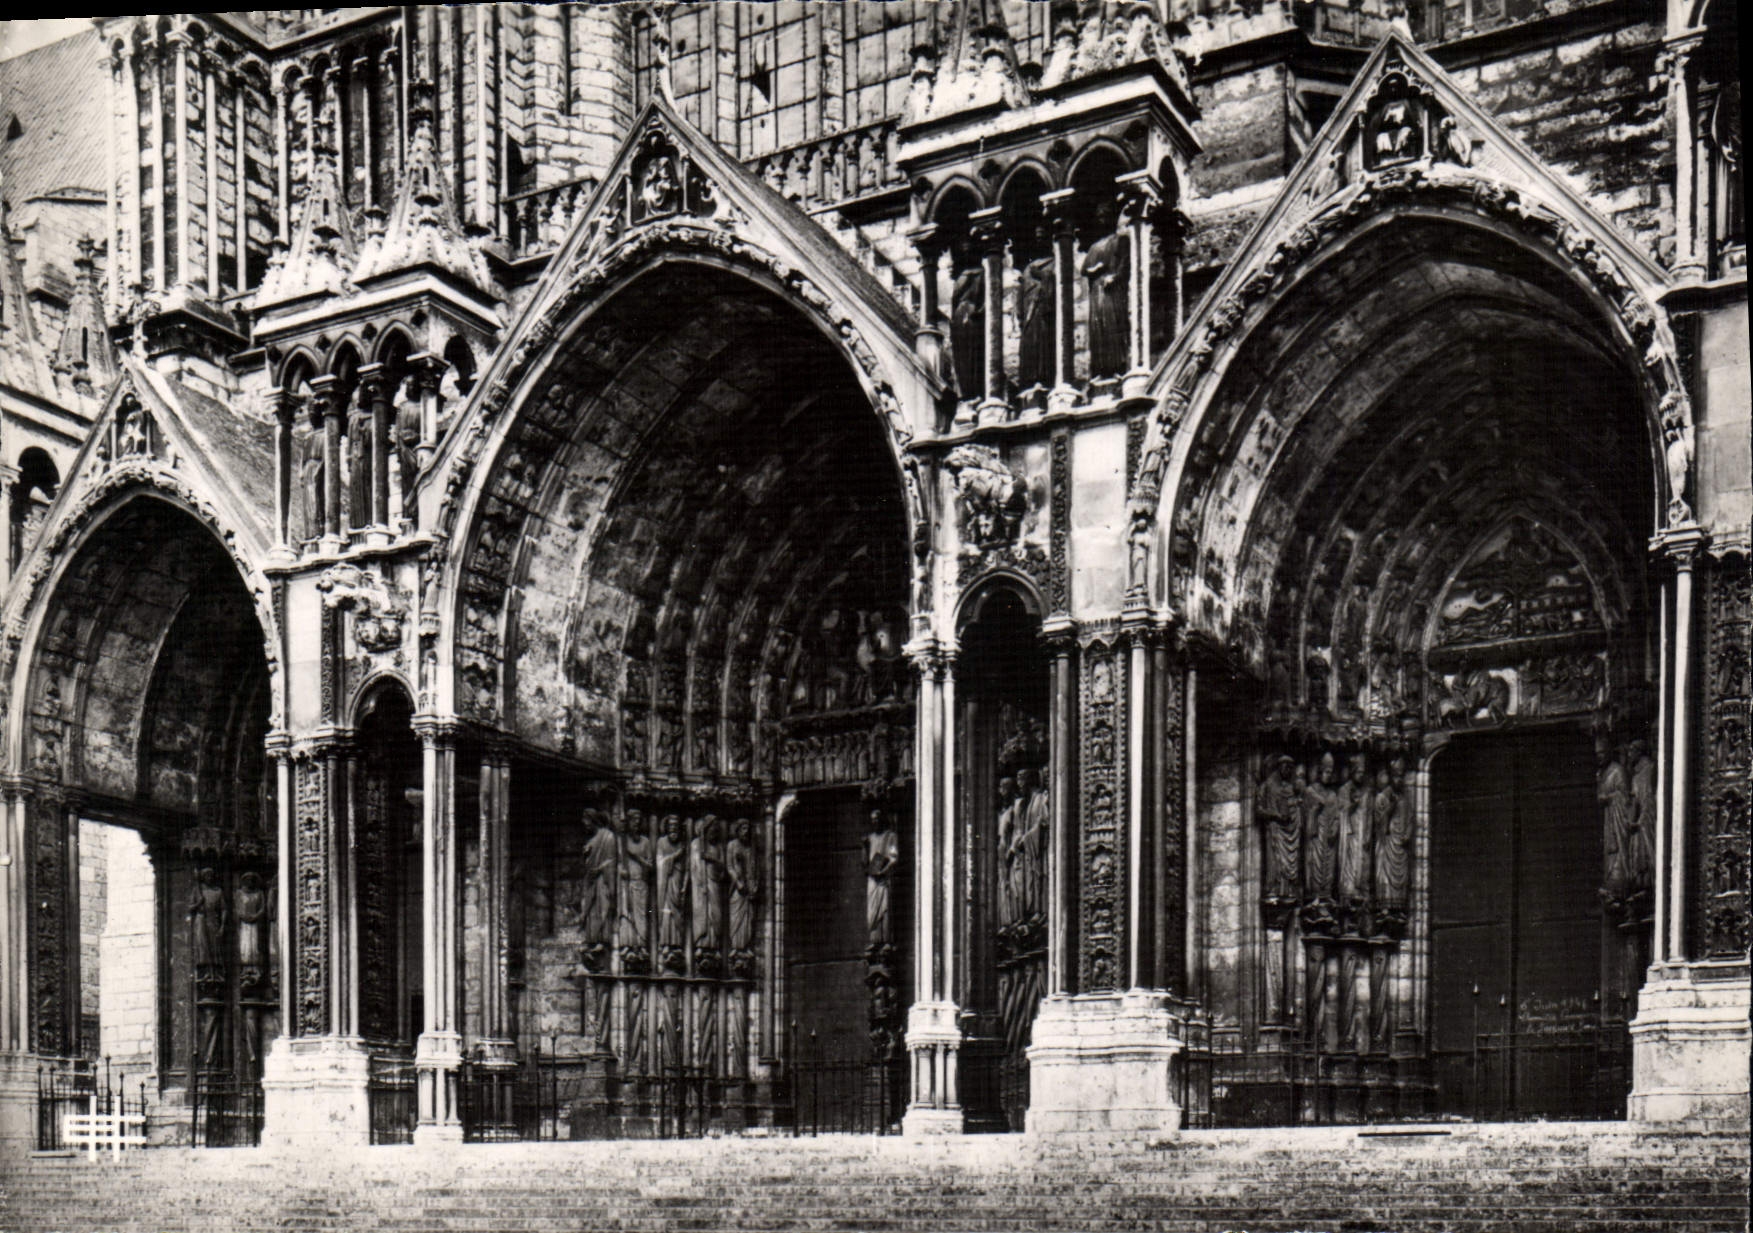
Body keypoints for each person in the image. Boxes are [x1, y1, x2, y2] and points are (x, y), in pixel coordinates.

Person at [1082, 200, 1130, 378]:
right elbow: (1085, 269)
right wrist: (1093, 270)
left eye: (1105, 215)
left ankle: (1117, 366)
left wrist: (1115, 277)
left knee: (1113, 324)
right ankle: (1100, 369)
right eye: (1099, 216)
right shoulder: (1094, 247)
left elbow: (1125, 263)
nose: (1102, 218)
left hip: (1112, 289)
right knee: (1098, 326)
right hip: (1097, 290)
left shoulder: (1120, 240)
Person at [864, 810, 899, 949]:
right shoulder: (871, 838)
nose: (875, 821)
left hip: (884, 878)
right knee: (872, 909)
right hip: (873, 878)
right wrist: (864, 847)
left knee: (884, 908)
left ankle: (886, 941)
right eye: (872, 819)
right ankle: (874, 940)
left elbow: (893, 858)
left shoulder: (890, 836)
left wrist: (883, 872)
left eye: (877, 818)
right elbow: (866, 862)